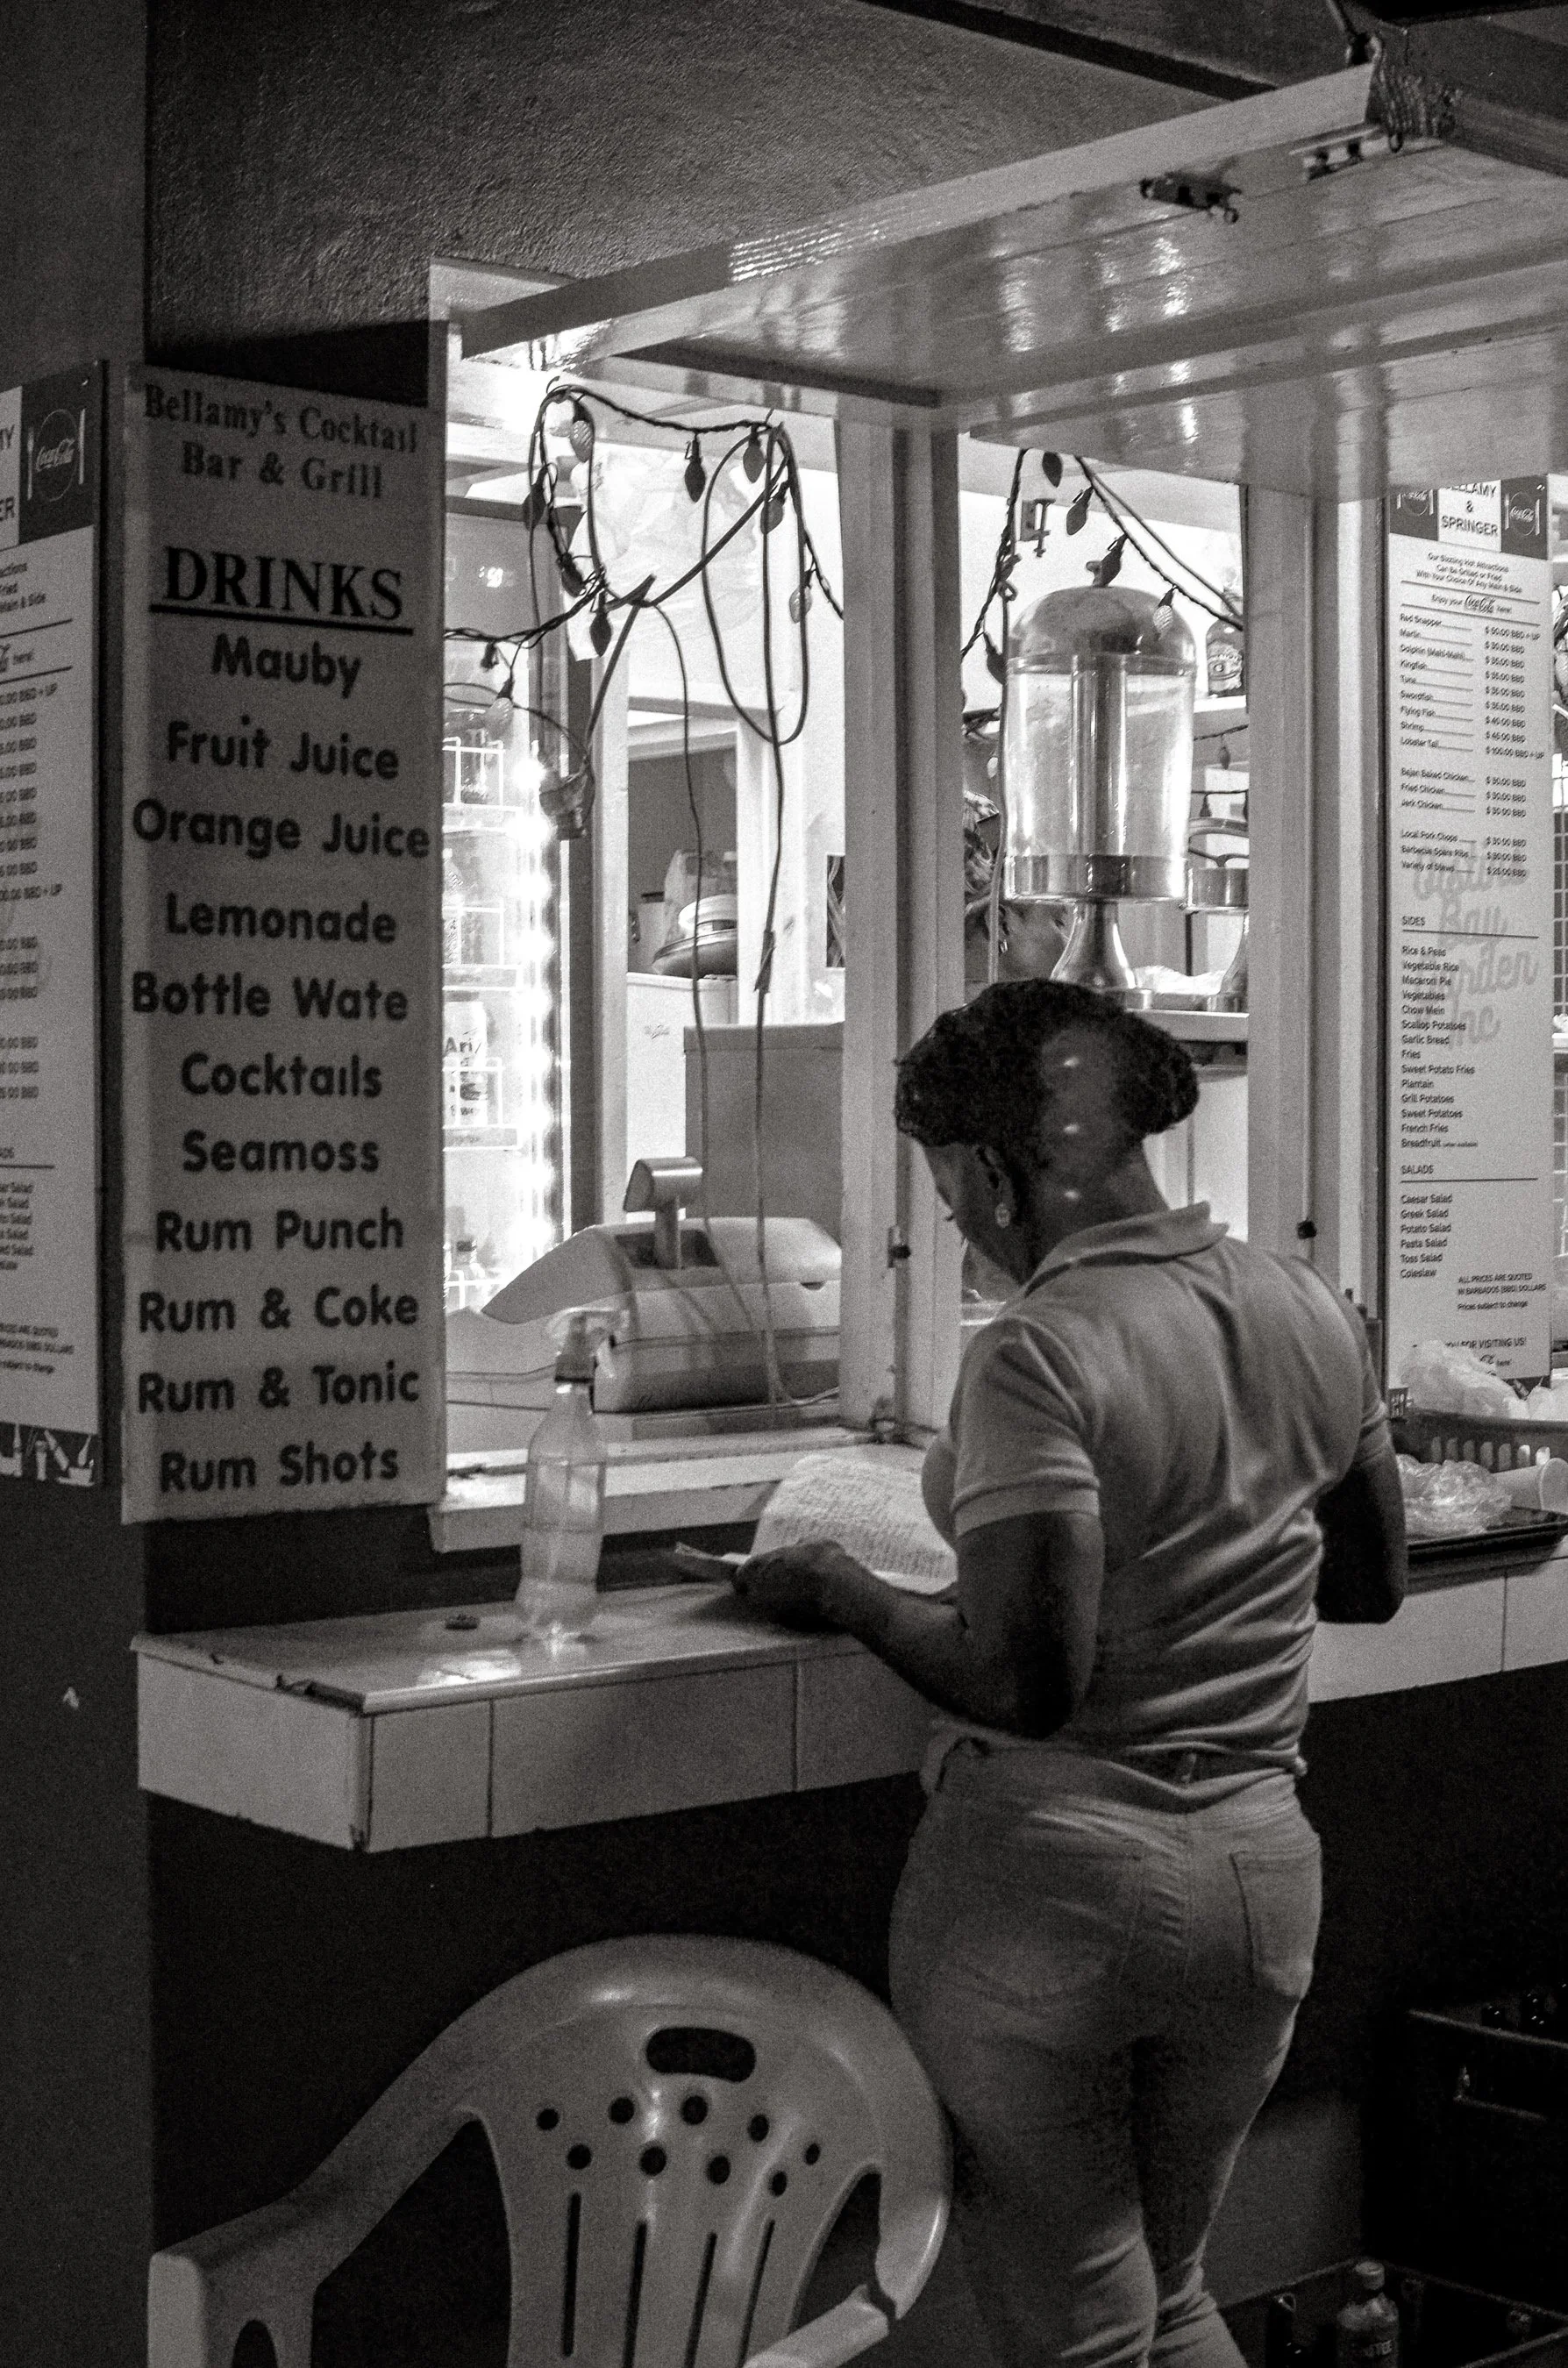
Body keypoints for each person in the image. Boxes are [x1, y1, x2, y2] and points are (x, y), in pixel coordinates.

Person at [733, 979, 1407, 2368]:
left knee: (1082, 2335)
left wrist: (840, 1588)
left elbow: (1027, 1678)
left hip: (1059, 1895)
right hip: (1261, 1880)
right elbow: (1367, 1583)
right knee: (1170, 2294)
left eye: (948, 1189)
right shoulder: (1310, 1310)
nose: (959, 1225)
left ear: (993, 1170)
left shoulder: (1039, 1353)